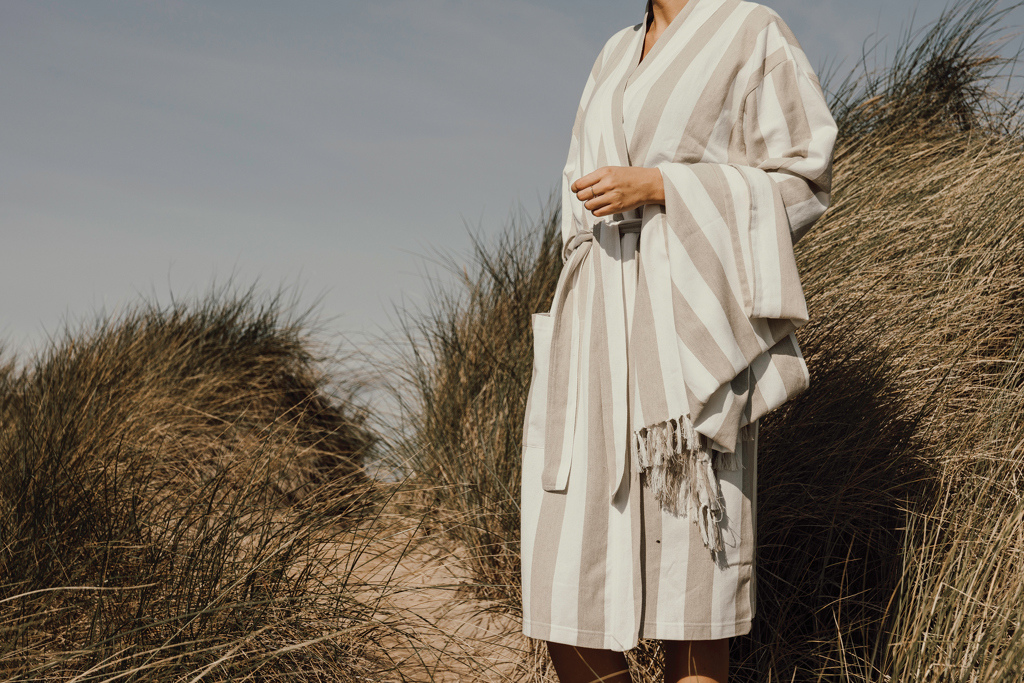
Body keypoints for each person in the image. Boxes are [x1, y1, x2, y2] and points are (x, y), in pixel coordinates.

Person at [518, 0, 838, 681]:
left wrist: (665, 187)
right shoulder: (613, 53)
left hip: (690, 339)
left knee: (690, 602)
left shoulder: (750, 30)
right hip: (594, 332)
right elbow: (573, 204)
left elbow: (804, 178)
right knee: (563, 591)